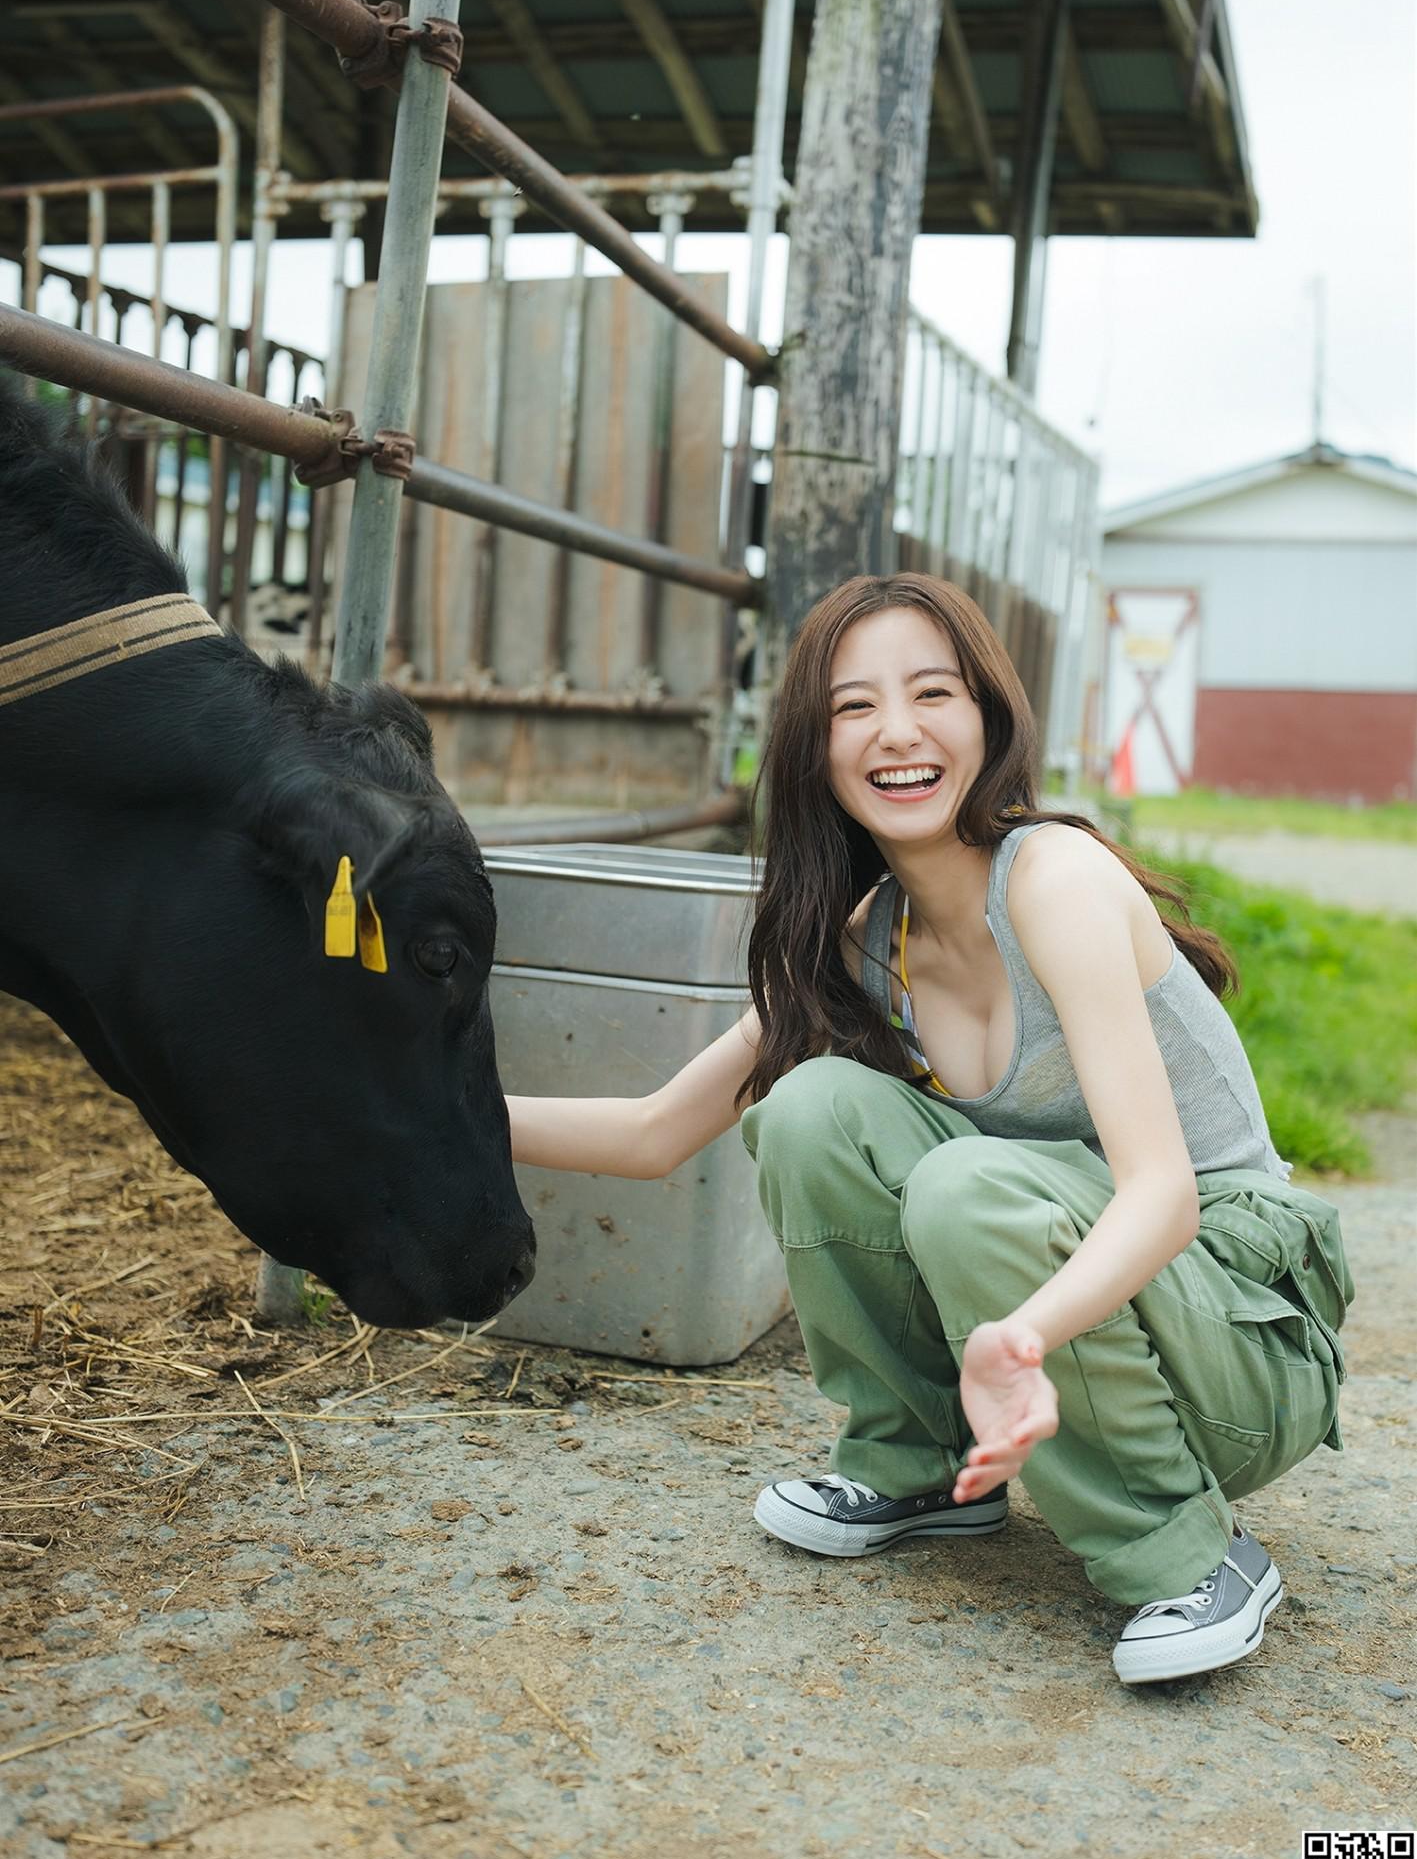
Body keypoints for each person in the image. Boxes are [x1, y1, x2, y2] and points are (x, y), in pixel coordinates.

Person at [506, 574, 1351, 1686]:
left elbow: (1162, 1192)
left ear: (989, 718)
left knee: (965, 1186)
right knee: (811, 1107)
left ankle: (1188, 1555)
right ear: (813, 747)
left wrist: (1019, 1337)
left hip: (1240, 1339)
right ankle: (922, 1470)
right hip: (1070, 1304)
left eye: (931, 692)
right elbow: (660, 1128)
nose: (895, 731)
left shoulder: (1052, 878)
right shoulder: (870, 933)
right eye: (853, 706)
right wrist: (417, 1118)